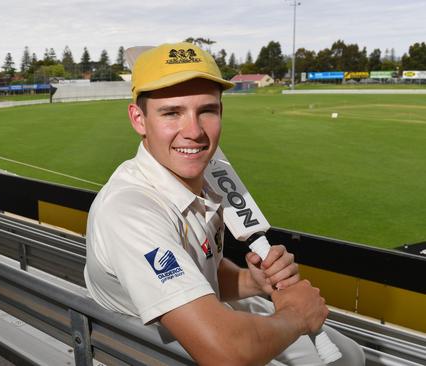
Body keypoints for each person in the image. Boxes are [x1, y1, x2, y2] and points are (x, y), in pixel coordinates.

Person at [84, 42, 364, 365]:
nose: (194, 132)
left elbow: (202, 266)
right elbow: (224, 354)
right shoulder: (129, 210)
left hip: (203, 313)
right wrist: (296, 316)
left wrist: (251, 281)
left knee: (350, 356)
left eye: (207, 110)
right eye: (172, 112)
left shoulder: (202, 175)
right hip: (155, 348)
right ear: (138, 119)